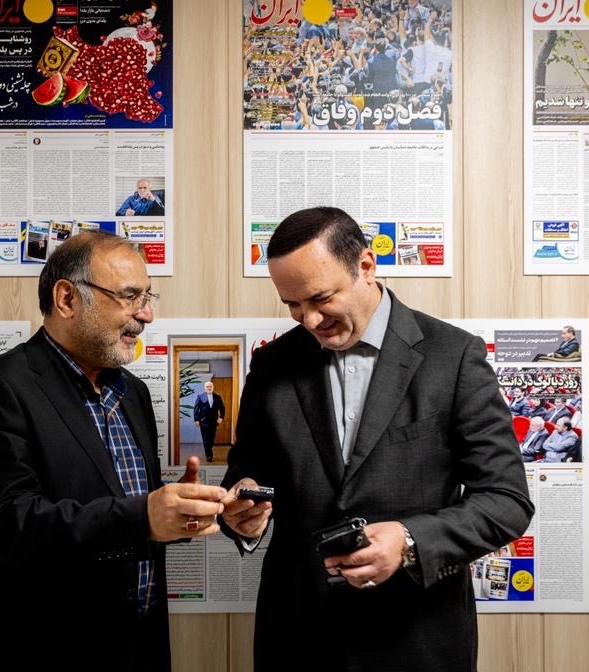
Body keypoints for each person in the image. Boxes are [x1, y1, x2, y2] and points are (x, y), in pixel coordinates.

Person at [220, 207, 534, 671]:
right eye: (292, 305)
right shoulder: (272, 365)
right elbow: (248, 474)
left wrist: (409, 540)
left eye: (320, 298)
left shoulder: (453, 357)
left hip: (418, 639)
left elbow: (506, 501)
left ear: (366, 266)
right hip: (298, 636)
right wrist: (243, 513)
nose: (309, 320)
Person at [0, 231, 226, 672]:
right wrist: (144, 516)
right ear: (67, 299)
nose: (146, 314)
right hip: (36, 654)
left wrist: (186, 511)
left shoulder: (134, 393)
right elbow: (7, 525)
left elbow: (124, 509)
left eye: (148, 297)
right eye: (130, 296)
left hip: (135, 650)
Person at [193, 380, 226, 463]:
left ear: (213, 387)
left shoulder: (217, 397)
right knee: (205, 440)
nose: (209, 388)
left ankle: (209, 448)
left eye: (210, 386)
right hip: (203, 421)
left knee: (211, 439)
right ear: (205, 388)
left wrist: (221, 417)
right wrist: (196, 419)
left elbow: (222, 408)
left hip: (214, 422)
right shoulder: (200, 396)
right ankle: (209, 456)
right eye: (207, 387)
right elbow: (196, 409)